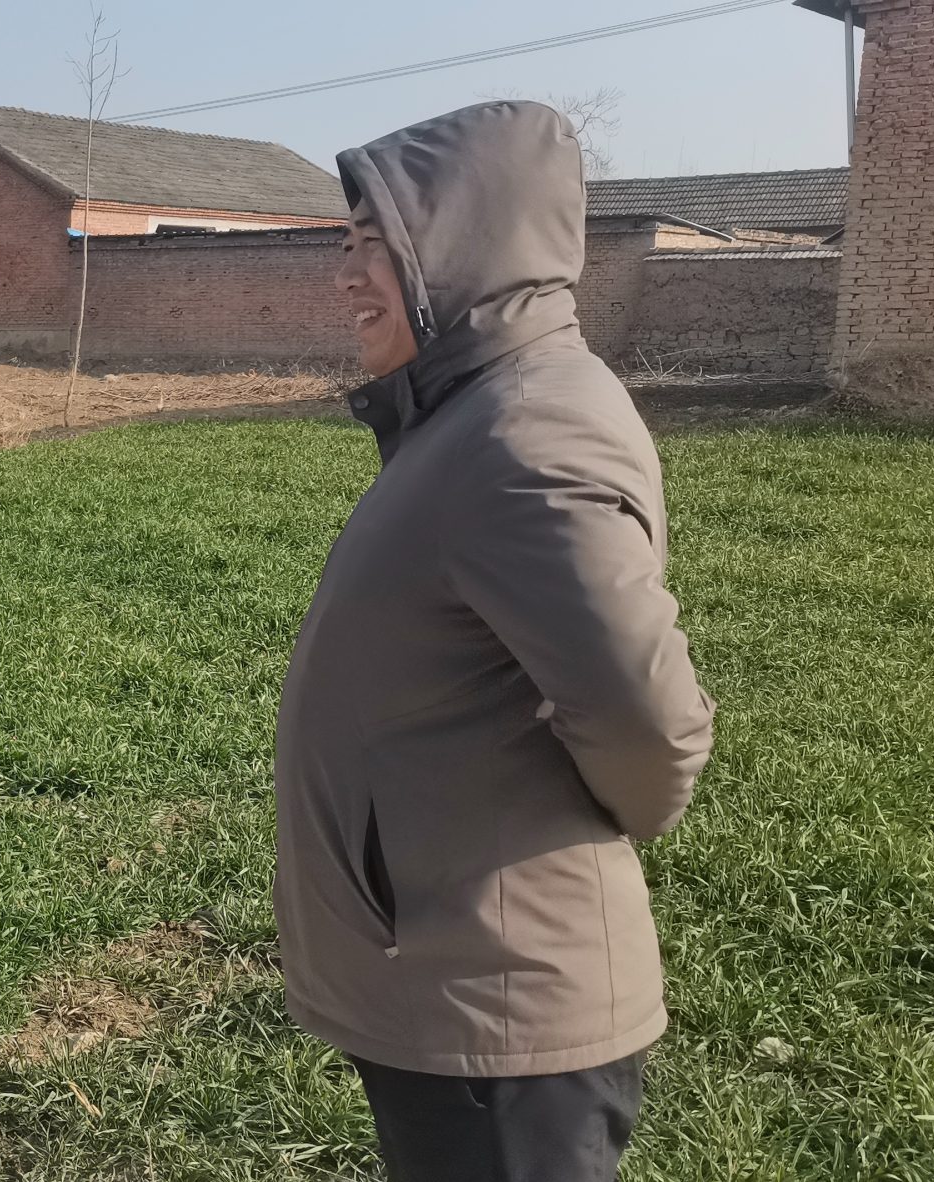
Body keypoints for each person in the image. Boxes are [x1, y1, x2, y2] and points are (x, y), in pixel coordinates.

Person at [273, 101, 717, 1181]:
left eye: (374, 244)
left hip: (499, 1007)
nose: (347, 274)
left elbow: (647, 725)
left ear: (460, 248)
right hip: (455, 983)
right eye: (345, 243)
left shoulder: (523, 436)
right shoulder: (473, 415)